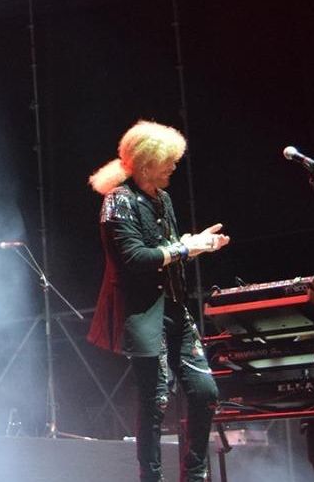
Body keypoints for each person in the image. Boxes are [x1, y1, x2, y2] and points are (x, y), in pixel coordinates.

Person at [86, 120, 230, 482]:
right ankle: (151, 478)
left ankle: (194, 475)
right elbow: (134, 258)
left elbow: (166, 251)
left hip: (173, 308)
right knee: (157, 401)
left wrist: (193, 245)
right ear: (148, 162)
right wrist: (185, 247)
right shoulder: (118, 200)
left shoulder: (161, 198)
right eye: (168, 160)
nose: (174, 166)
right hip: (142, 313)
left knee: (204, 391)